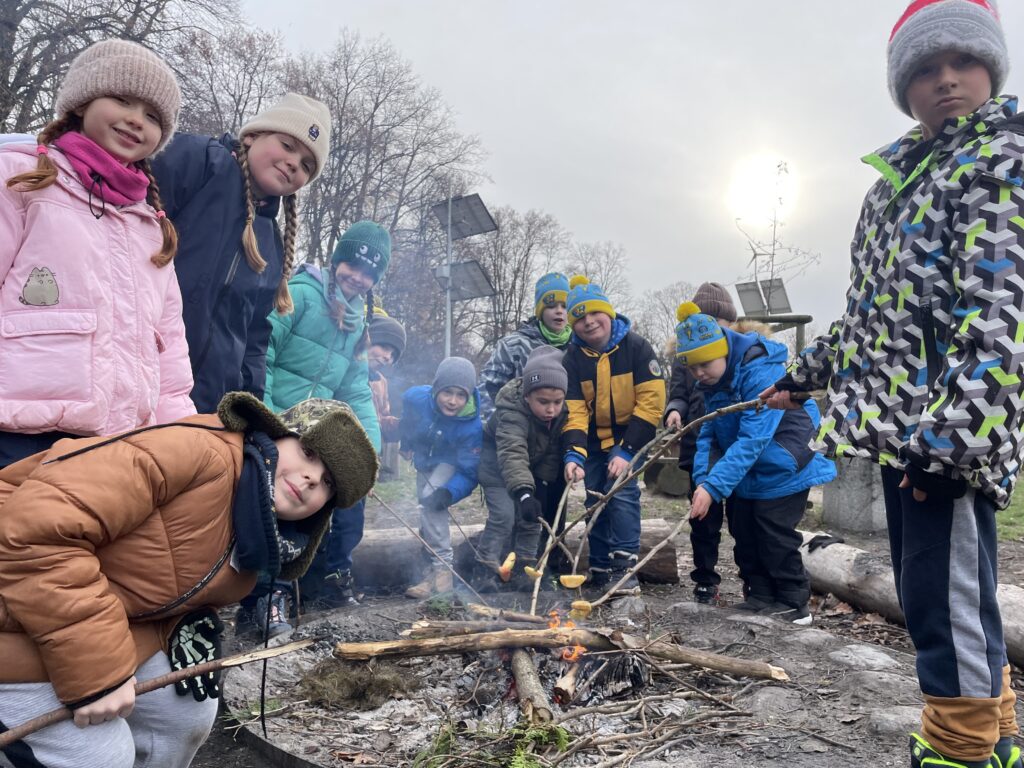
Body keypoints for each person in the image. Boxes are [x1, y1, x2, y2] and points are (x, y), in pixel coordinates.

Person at [762, 1, 1023, 764]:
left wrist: (944, 444)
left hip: (948, 434)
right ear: (902, 85)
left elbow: (1001, 319)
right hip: (903, 429)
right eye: (924, 69)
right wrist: (801, 377)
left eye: (962, 63)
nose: (946, 80)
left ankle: (959, 751)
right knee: (943, 596)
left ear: (991, 69)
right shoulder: (897, 183)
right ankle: (997, 737)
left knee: (943, 603)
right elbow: (874, 320)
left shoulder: (999, 162)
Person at [0, 393, 378, 768]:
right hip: (16, 604)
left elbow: (153, 589)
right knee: (101, 757)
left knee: (186, 713)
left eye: (328, 482)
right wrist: (97, 673)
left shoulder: (259, 535)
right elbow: (29, 533)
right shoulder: (194, 453)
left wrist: (182, 626)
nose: (312, 478)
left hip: (73, 617)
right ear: (276, 433)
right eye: (309, 453)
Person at [0, 39, 194, 469]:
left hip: (112, 445)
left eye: (152, 116)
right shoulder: (23, 179)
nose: (135, 120)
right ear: (83, 101)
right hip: (15, 436)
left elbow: (170, 349)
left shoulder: (151, 226)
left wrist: (179, 440)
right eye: (122, 100)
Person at [242, 220, 389, 625]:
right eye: (353, 266)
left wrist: (370, 448)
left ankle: (279, 596)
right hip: (273, 426)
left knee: (300, 515)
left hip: (311, 438)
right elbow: (264, 352)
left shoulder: (358, 326)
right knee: (262, 511)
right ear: (337, 260)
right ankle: (256, 597)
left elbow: (356, 390)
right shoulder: (300, 296)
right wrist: (266, 415)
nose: (358, 278)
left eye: (369, 274)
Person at [151, 91, 331, 414]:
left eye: (306, 165)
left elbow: (253, 339)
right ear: (251, 137)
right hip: (143, 377)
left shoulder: (271, 244)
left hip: (202, 409)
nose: (293, 163)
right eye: (288, 146)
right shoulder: (199, 162)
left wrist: (250, 412)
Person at [676, 302, 835, 625]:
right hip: (749, 470)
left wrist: (715, 486)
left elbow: (754, 438)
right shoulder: (712, 385)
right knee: (743, 529)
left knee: (772, 530)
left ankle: (793, 599)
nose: (699, 373)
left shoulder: (760, 370)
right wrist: (705, 482)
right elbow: (709, 433)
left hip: (784, 463)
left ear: (723, 350)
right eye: (692, 368)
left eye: (704, 364)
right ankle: (760, 593)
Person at [561, 276, 665, 595]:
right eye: (580, 318)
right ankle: (600, 567)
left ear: (609, 313)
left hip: (630, 436)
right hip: (592, 443)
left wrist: (626, 450)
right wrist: (574, 455)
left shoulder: (637, 347)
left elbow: (650, 405)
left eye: (595, 314)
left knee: (620, 493)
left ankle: (624, 568)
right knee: (595, 498)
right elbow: (575, 411)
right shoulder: (573, 359)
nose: (589, 323)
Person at [664, 282, 739, 605]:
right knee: (702, 518)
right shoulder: (684, 359)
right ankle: (705, 578)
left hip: (732, 447)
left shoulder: (737, 355)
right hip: (699, 447)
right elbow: (678, 393)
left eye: (717, 324)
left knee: (740, 516)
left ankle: (751, 576)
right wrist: (675, 411)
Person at [475, 346, 569, 591]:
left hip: (529, 470)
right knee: (504, 516)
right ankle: (484, 568)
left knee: (532, 519)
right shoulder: (511, 411)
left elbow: (550, 453)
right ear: (527, 396)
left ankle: (525, 571)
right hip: (496, 468)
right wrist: (525, 492)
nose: (551, 409)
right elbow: (512, 452)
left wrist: (542, 485)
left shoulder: (560, 414)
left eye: (557, 402)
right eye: (543, 402)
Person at [400, 357, 483, 599]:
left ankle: (443, 572)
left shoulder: (471, 427)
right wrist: (406, 441)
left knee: (431, 505)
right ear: (437, 388)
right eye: (448, 392)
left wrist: (447, 493)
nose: (453, 401)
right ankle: (429, 573)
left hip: (451, 466)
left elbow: (470, 471)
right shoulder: (417, 397)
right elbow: (407, 410)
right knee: (425, 515)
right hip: (425, 463)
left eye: (461, 395)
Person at [478, 272, 572, 417]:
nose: (559, 311)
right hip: (519, 431)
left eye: (564, 306)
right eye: (552, 306)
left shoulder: (578, 346)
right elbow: (487, 389)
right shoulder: (512, 346)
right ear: (540, 310)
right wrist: (502, 426)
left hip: (568, 431)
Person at [367, 308, 407, 444]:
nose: (387, 357)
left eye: (393, 355)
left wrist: (403, 426)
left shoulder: (380, 382)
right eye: (384, 347)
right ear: (368, 339)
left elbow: (381, 421)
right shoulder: (341, 370)